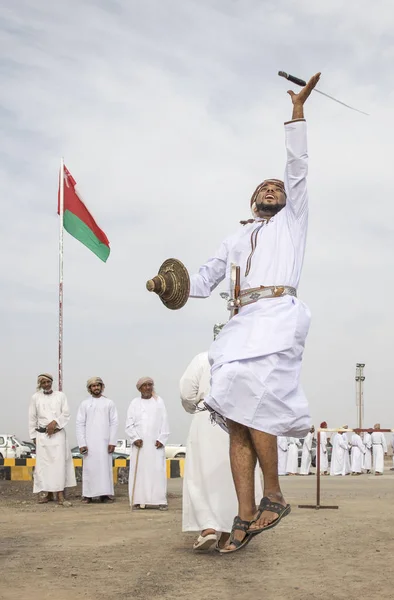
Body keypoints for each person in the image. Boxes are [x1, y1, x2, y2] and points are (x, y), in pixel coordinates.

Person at [186, 72, 321, 553]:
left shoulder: (293, 222)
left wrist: (298, 111)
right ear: (251, 200)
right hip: (240, 323)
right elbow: (202, 281)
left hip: (278, 314)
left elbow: (298, 163)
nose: (271, 188)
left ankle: (275, 494)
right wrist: (169, 285)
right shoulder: (236, 237)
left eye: (276, 187)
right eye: (263, 187)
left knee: (252, 399)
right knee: (232, 410)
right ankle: (245, 513)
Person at [180, 324, 262, 551]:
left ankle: (207, 527)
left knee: (200, 474)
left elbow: (186, 393)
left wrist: (194, 408)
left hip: (206, 418)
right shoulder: (247, 362)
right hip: (238, 422)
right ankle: (230, 532)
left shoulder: (201, 359)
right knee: (234, 475)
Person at [28, 373, 76, 504]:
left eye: (48, 382)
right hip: (42, 436)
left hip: (58, 435)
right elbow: (32, 417)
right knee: (45, 466)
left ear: (51, 382)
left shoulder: (60, 396)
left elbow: (66, 413)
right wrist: (33, 436)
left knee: (59, 465)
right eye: (43, 383)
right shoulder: (35, 398)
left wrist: (55, 423)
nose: (46, 384)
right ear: (40, 384)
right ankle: (48, 494)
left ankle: (60, 495)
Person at [126, 377, 170, 510]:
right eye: (144, 386)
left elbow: (165, 421)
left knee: (157, 471)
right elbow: (129, 424)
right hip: (140, 445)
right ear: (139, 388)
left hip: (155, 444)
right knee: (140, 472)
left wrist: (162, 439)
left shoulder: (159, 401)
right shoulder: (134, 403)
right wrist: (135, 438)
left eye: (150, 385)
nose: (148, 388)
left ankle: (160, 500)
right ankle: (138, 500)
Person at [76, 377, 119, 504]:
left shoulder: (109, 403)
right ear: (89, 389)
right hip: (89, 443)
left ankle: (105, 495)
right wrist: (82, 443)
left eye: (98, 385)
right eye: (93, 386)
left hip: (105, 443)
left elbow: (114, 423)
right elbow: (80, 424)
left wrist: (112, 442)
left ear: (102, 387)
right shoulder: (84, 404)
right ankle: (88, 495)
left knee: (105, 469)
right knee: (89, 469)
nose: (96, 388)